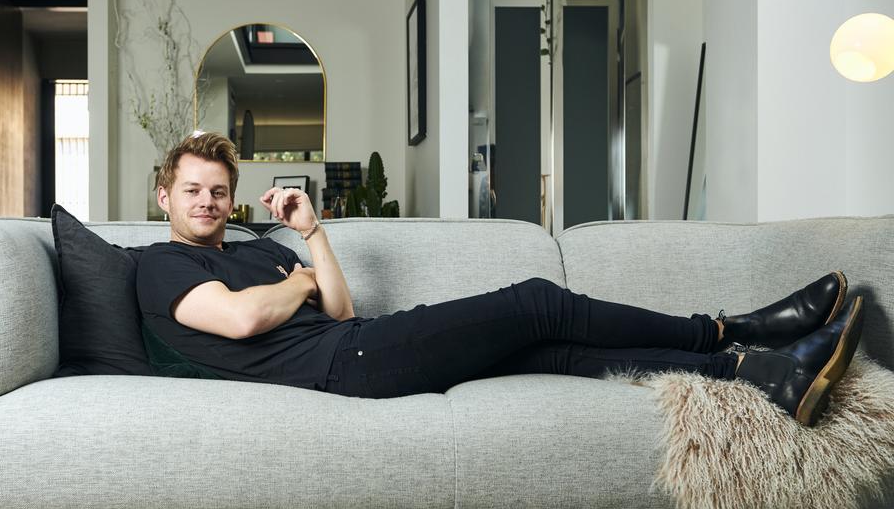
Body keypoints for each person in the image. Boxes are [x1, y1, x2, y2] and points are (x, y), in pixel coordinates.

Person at [136, 133, 865, 428]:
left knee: (558, 353)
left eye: (219, 190)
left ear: (234, 197)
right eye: (193, 190)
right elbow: (238, 321)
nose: (207, 201)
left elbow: (340, 306)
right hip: (348, 367)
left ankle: (756, 376)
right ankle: (731, 331)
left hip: (356, 341)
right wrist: (294, 287)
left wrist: (312, 236)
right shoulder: (161, 264)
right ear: (165, 197)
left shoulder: (261, 248)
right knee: (539, 302)